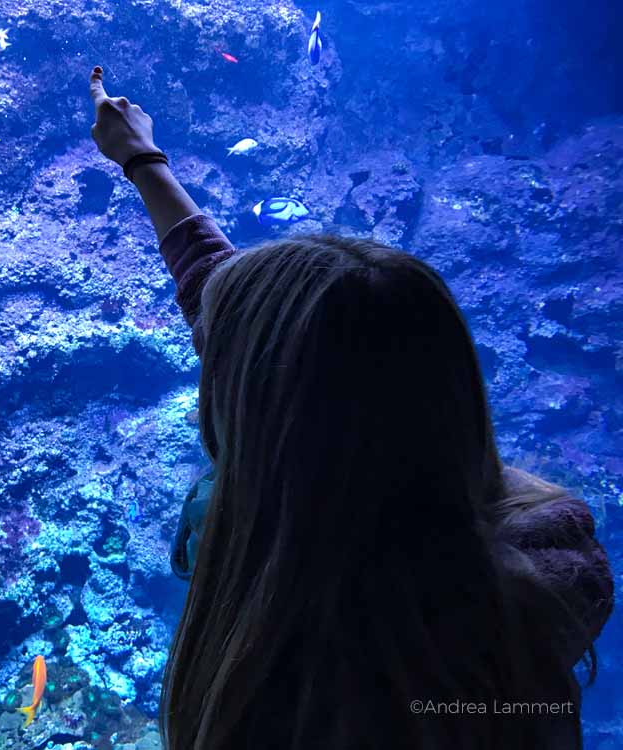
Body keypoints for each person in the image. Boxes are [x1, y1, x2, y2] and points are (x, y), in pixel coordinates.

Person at [86, 66, 614, 750]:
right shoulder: (520, 573)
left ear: (276, 415)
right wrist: (142, 161)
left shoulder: (313, 678)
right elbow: (266, 334)